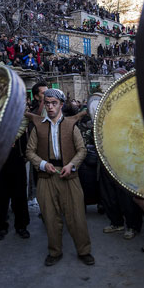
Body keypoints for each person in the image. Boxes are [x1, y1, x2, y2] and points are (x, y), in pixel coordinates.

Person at [25, 88, 94, 266]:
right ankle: (54, 252)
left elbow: (82, 150)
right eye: (47, 103)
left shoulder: (70, 125)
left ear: (61, 105)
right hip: (46, 177)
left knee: (76, 216)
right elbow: (30, 151)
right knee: (50, 217)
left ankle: (84, 250)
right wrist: (42, 164)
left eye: (54, 103)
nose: (50, 107)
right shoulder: (39, 125)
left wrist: (72, 165)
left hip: (69, 176)